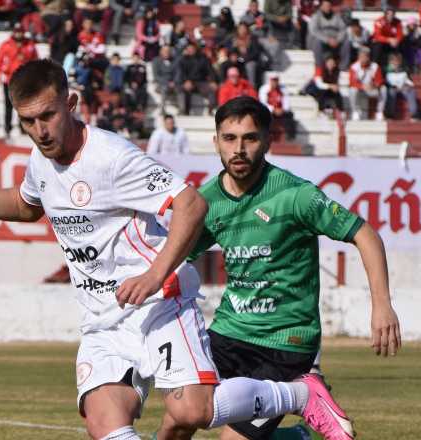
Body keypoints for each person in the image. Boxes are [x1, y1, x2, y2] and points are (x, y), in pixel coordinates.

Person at [0, 59, 356, 440]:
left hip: (159, 306)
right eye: (29, 121)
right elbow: (25, 207)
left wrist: (155, 275)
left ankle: (299, 394)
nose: (40, 131)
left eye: (48, 116)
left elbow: (192, 204)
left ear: (71, 102)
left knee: (191, 411)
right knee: (104, 422)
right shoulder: (41, 159)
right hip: (103, 320)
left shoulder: (112, 156)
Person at [156, 95, 401, 440]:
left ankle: (305, 397)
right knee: (176, 419)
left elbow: (365, 234)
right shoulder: (206, 202)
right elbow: (173, 256)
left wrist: (381, 305)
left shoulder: (295, 195)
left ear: (268, 141)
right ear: (216, 142)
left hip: (285, 342)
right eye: (229, 139)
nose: (239, 149)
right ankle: (297, 437)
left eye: (250, 138)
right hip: (228, 333)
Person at [0, 23, 39, 137]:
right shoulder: (6, 45)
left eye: (20, 31)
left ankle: (23, 128)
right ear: (13, 32)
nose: (18, 34)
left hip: (24, 80)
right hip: (8, 80)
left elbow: (36, 61)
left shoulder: (29, 44)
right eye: (16, 31)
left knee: (23, 105)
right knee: (8, 105)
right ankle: (7, 128)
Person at [176, 43, 218, 116]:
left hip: (201, 82)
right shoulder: (182, 60)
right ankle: (185, 112)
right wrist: (186, 81)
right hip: (188, 82)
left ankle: (211, 110)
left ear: (196, 49)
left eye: (192, 49)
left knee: (212, 89)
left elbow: (210, 71)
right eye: (189, 49)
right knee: (183, 89)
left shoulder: (203, 59)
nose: (190, 50)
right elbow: (181, 73)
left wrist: (212, 81)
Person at [348, 48, 386, 121]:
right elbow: (352, 82)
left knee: (383, 89)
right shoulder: (354, 67)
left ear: (368, 57)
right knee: (352, 90)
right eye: (361, 57)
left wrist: (373, 85)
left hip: (371, 90)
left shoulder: (375, 66)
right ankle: (355, 111)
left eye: (365, 57)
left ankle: (379, 112)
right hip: (360, 90)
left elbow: (380, 81)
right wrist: (362, 86)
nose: (363, 59)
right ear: (358, 57)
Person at [307, 0, 348, 68]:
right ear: (321, 7)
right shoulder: (316, 16)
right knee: (317, 41)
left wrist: (338, 40)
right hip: (322, 41)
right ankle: (319, 67)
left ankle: (343, 67)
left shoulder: (337, 16)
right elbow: (314, 31)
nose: (327, 8)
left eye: (329, 6)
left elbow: (343, 29)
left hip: (335, 41)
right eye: (325, 6)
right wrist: (327, 40)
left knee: (347, 42)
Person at [259, 73, 297, 139]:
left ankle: (290, 137)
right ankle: (265, 136)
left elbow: (287, 103)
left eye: (276, 80)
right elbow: (263, 103)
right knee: (263, 115)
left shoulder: (283, 89)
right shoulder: (264, 89)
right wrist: (273, 109)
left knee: (290, 115)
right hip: (270, 111)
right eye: (273, 80)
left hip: (280, 111)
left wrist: (282, 109)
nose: (274, 82)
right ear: (270, 81)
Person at [384, 54, 419, 120]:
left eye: (397, 61)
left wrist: (407, 85)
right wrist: (393, 86)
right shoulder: (386, 71)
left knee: (411, 91)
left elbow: (410, 82)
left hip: (403, 88)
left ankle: (414, 114)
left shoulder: (405, 70)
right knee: (390, 92)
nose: (395, 63)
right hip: (392, 89)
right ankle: (389, 114)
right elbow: (385, 82)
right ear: (390, 62)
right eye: (393, 61)